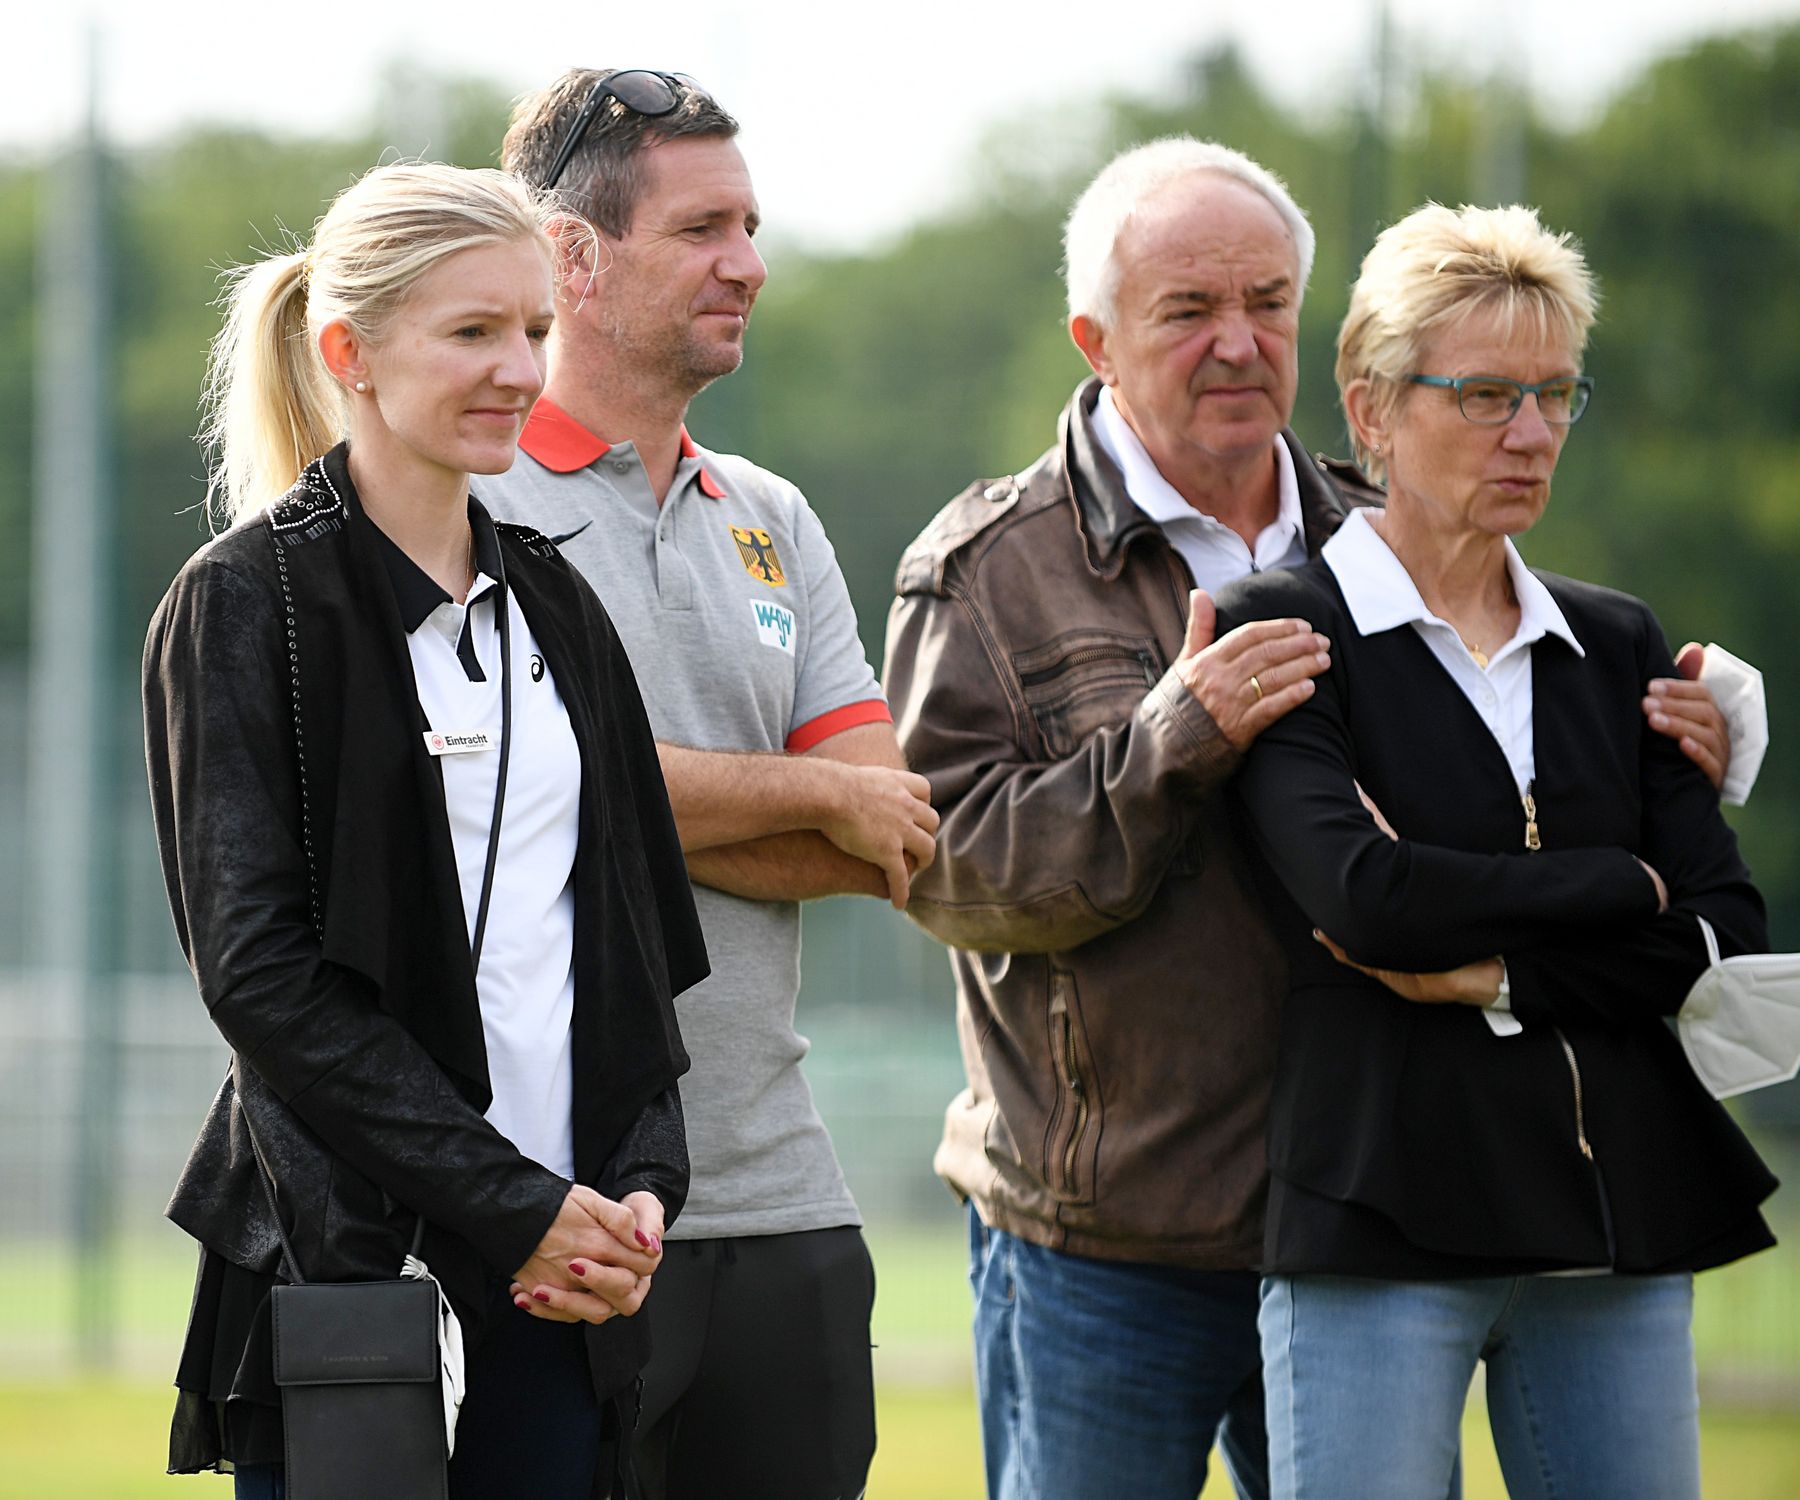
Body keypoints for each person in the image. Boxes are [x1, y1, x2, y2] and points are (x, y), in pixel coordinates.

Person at [882, 138, 1739, 1500]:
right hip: (1117, 1243)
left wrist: (1676, 754)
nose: (1238, 343)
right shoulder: (990, 571)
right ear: (1095, 340)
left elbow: (1528, 819)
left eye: (1267, 303)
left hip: (1377, 1210)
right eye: (1189, 310)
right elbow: (945, 874)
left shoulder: (1406, 527)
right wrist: (1170, 744)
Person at [143, 161, 705, 1500]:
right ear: (350, 353)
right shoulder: (245, 604)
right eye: (473, 331)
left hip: (565, 1275)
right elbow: (260, 980)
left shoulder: (559, 605)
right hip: (359, 1273)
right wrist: (513, 1207)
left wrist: (640, 1188)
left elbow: (631, 942)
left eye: (534, 328)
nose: (520, 368)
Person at [1212, 201, 1777, 1500]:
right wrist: (1619, 886)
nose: (1530, 433)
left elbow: (1721, 934)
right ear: (1371, 410)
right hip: (1380, 1214)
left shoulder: (1617, 643)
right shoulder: (1284, 628)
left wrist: (1506, 971)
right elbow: (1369, 903)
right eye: (1484, 396)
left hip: (1616, 1216)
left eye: (1555, 394)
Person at [487, 69, 936, 1500]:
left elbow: (883, 834)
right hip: (560, 1205)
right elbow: (510, 786)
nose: (748, 263)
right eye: (702, 229)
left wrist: (606, 800)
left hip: (784, 1196)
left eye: (751, 225)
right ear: (572, 255)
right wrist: (799, 796)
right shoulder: (465, 499)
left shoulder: (775, 517)